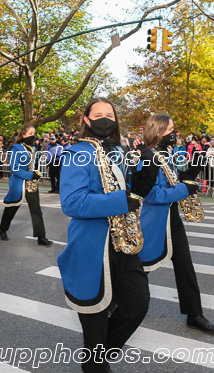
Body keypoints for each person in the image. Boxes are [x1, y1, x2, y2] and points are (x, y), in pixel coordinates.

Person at [58, 97, 149, 373]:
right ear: (86, 120)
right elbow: (72, 203)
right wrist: (119, 202)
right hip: (92, 247)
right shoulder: (76, 153)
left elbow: (130, 187)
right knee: (95, 322)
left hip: (123, 242)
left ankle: (94, 359)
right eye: (97, 115)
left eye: (109, 114)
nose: (105, 119)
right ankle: (95, 363)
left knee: (137, 306)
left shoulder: (118, 150)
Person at [133, 114, 214, 334]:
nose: (175, 133)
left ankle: (194, 314)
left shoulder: (167, 154)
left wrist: (190, 174)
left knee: (185, 267)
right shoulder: (148, 156)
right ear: (158, 131)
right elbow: (151, 194)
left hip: (172, 218)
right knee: (142, 267)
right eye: (170, 130)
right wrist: (184, 189)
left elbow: (172, 182)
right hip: (154, 221)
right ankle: (117, 302)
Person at [0, 124, 53, 246]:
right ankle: (2, 229)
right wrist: (30, 175)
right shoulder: (16, 148)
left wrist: (35, 173)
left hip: (31, 183)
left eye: (34, 133)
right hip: (19, 183)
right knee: (12, 207)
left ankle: (41, 236)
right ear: (23, 134)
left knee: (36, 209)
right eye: (30, 134)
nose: (33, 136)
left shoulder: (32, 148)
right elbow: (14, 168)